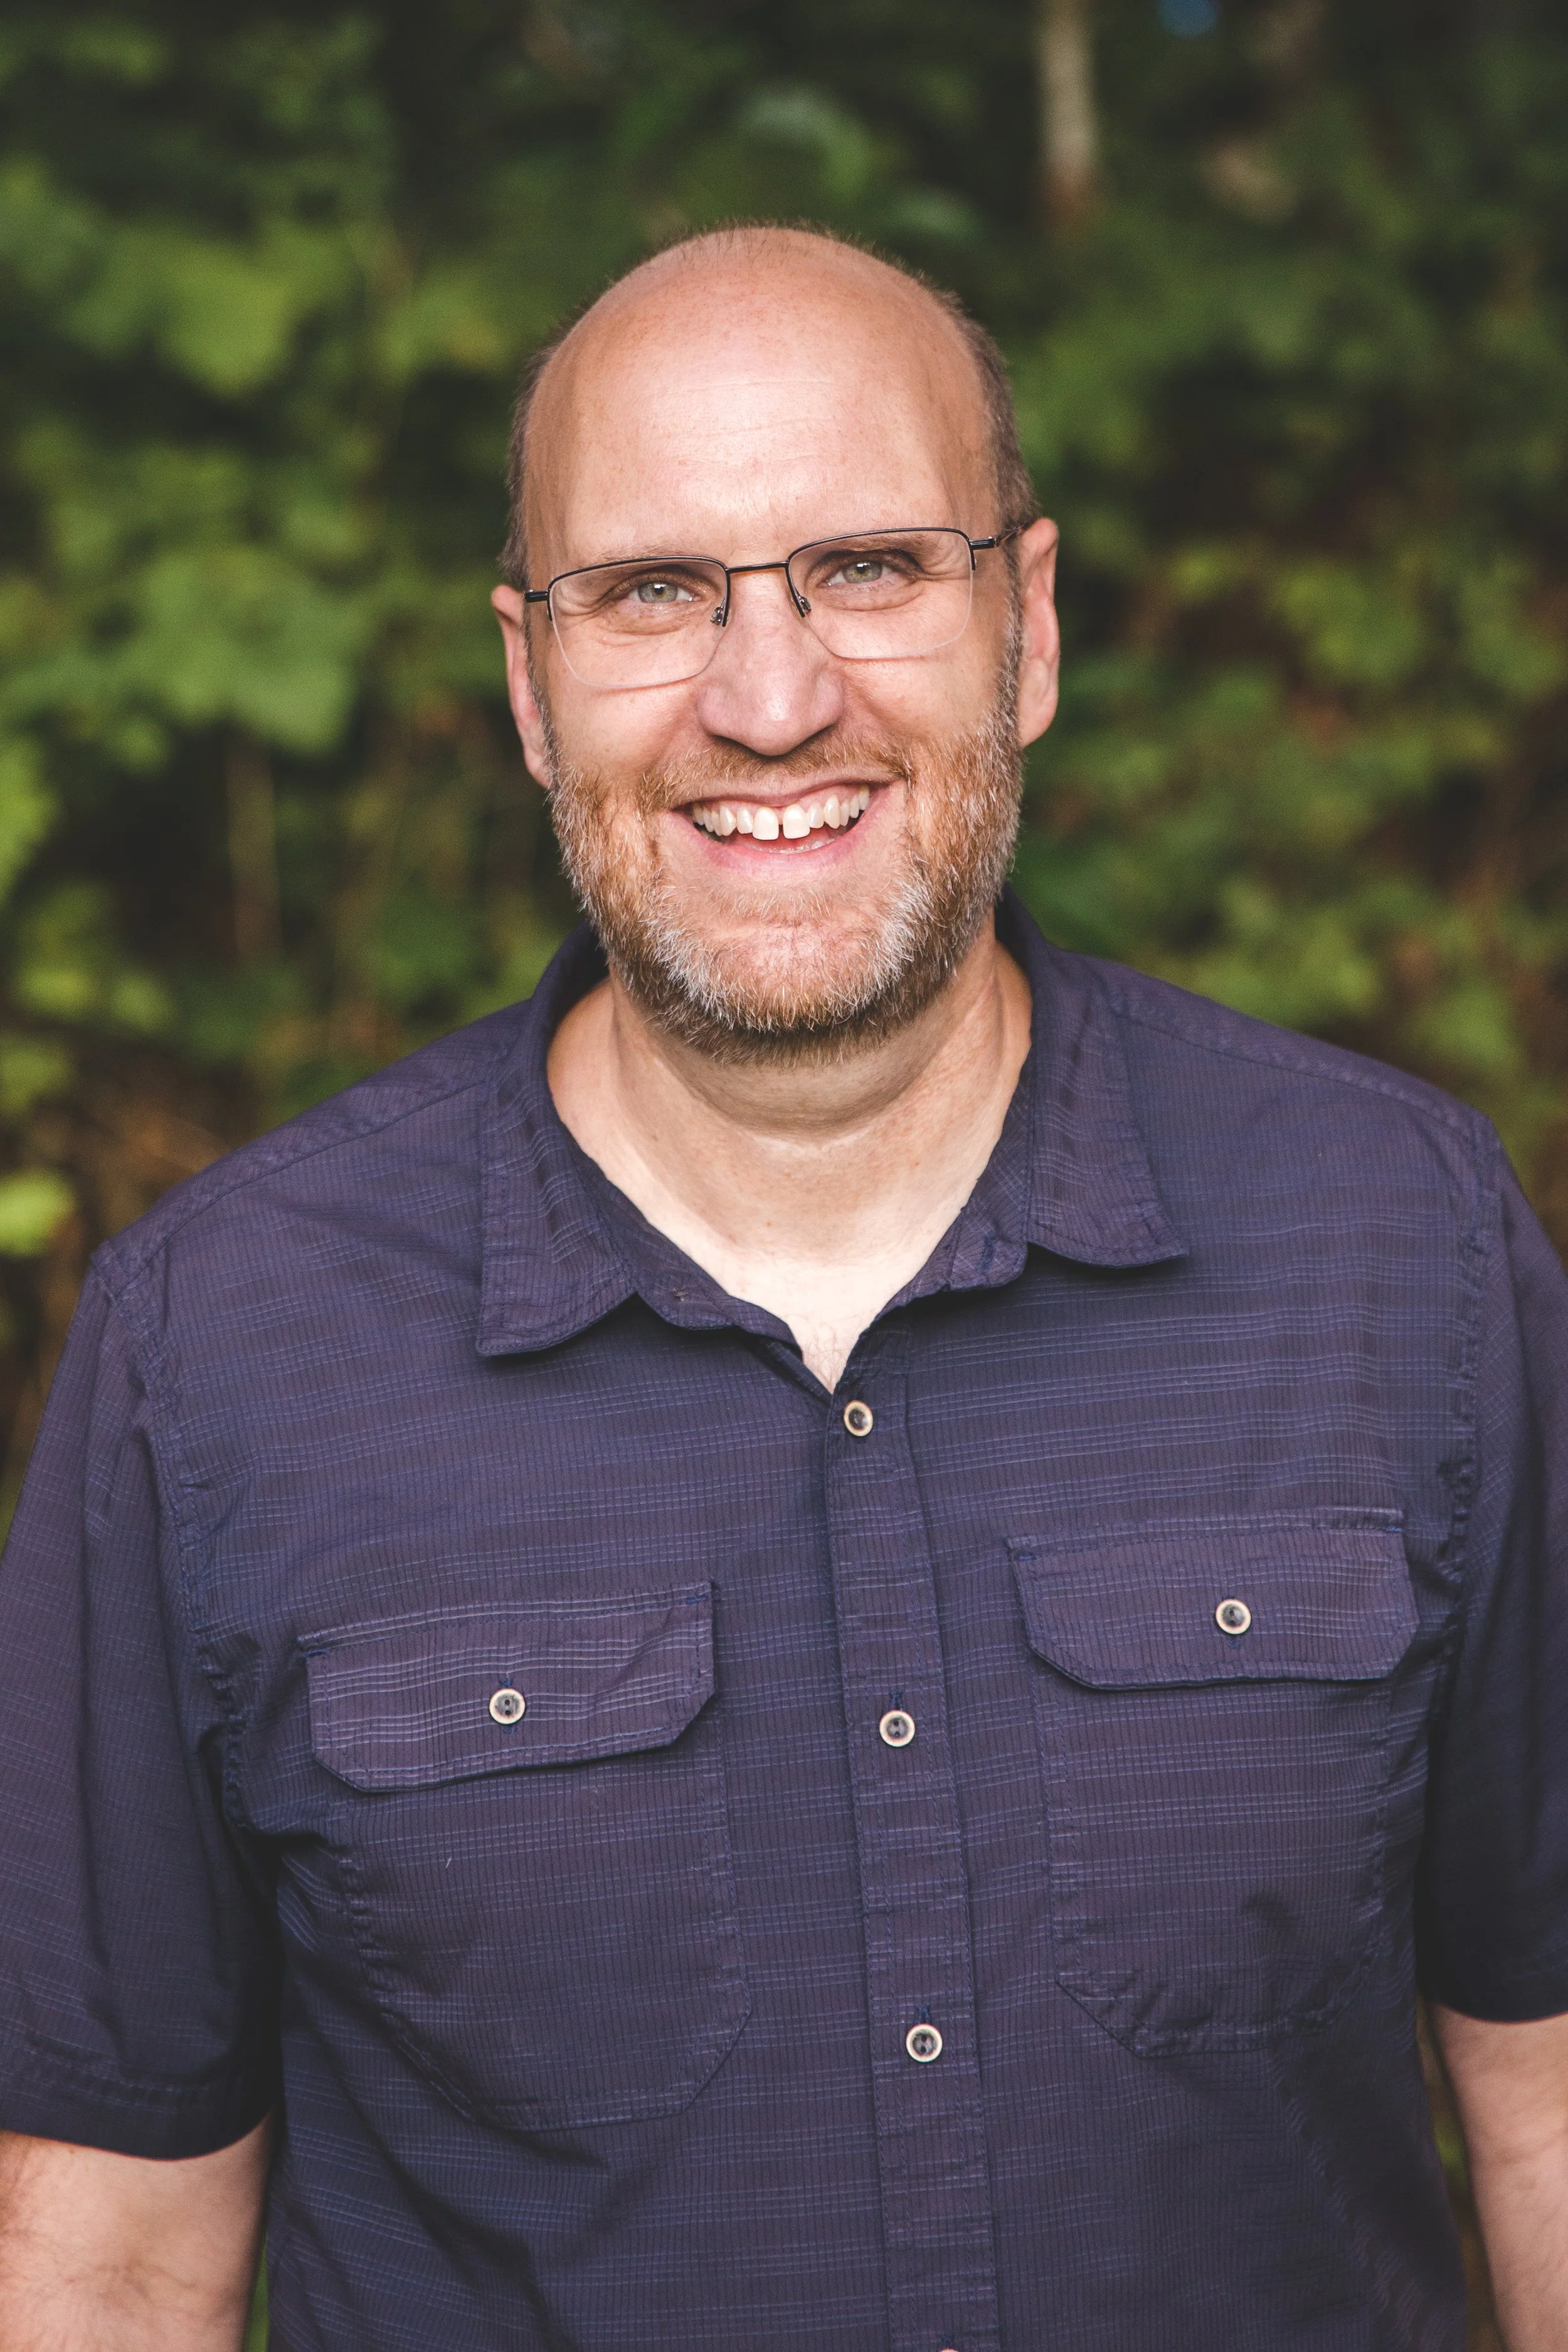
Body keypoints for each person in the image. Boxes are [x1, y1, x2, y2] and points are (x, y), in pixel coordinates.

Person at [0, 223, 1565, 2352]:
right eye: (652, 590)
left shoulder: (1395, 1249)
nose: (768, 698)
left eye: (867, 566)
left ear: (1025, 626)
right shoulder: (222, 1353)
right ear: (529, 684)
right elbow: (106, 2258)